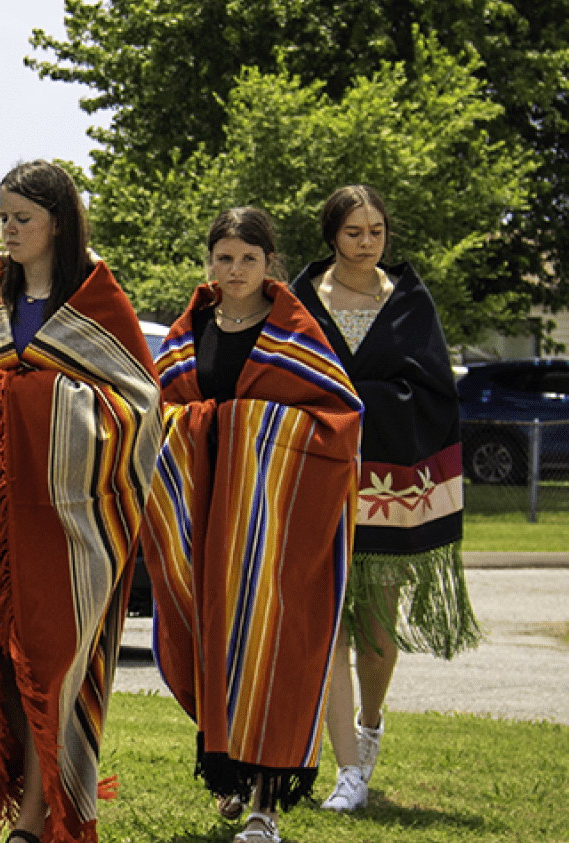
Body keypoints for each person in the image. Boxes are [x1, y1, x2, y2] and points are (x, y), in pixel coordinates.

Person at [0, 160, 162, 843]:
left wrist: (26, 407)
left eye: (22, 218)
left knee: (56, 667)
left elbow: (139, 410)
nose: (7, 231)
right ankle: (21, 804)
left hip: (71, 527)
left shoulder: (95, 304)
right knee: (2, 661)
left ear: (58, 223)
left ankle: (39, 818)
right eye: (3, 217)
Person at [142, 208, 362, 843]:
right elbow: (161, 412)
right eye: (223, 258)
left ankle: (265, 803)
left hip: (279, 530)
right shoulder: (188, 335)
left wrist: (251, 430)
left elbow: (342, 418)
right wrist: (199, 426)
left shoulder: (296, 336)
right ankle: (232, 772)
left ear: (271, 265)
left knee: (274, 650)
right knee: (216, 645)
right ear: (209, 262)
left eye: (247, 259)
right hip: (207, 526)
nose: (233, 270)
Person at [290, 185, 480, 813]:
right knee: (325, 633)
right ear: (331, 237)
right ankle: (345, 767)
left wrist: (353, 397)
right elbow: (283, 376)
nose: (367, 242)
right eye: (354, 232)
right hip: (312, 484)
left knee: (374, 634)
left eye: (376, 231)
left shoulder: (410, 303)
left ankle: (370, 726)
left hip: (387, 491)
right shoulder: (298, 300)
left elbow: (432, 391)